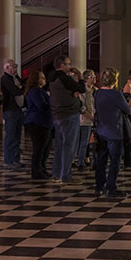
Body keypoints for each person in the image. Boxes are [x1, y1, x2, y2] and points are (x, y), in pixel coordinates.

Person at [46, 55, 87, 183]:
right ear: (62, 65)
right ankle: (66, 176)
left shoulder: (52, 78)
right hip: (69, 114)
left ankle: (56, 174)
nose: (70, 66)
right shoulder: (63, 78)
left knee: (59, 146)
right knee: (69, 146)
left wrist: (72, 93)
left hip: (57, 115)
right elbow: (81, 88)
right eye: (68, 64)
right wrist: (80, 77)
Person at [94, 67, 130, 198]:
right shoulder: (116, 94)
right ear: (115, 79)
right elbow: (127, 110)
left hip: (101, 130)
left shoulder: (97, 93)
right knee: (115, 161)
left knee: (101, 160)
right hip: (114, 131)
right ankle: (111, 187)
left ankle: (99, 186)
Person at [23, 70, 52, 180]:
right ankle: (36, 171)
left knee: (45, 148)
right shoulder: (35, 91)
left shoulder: (40, 91)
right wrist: (51, 102)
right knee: (39, 148)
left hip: (44, 122)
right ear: (36, 79)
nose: (44, 79)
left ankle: (42, 168)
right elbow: (41, 105)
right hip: (37, 123)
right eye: (42, 77)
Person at [0, 59, 25, 170]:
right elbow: (16, 91)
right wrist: (21, 88)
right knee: (10, 136)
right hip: (10, 109)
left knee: (17, 136)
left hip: (18, 109)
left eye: (16, 66)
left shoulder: (16, 78)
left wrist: (21, 87)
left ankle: (16, 159)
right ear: (7, 68)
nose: (15, 68)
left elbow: (23, 87)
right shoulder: (5, 79)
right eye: (13, 66)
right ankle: (9, 161)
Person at [77, 69, 97, 171]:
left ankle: (93, 162)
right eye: (91, 77)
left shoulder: (94, 90)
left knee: (93, 142)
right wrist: (91, 117)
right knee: (83, 142)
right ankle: (81, 162)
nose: (94, 78)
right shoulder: (83, 91)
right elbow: (82, 108)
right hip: (85, 120)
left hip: (93, 119)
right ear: (86, 79)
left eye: (94, 76)